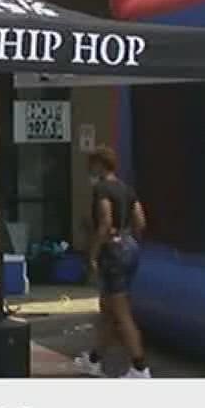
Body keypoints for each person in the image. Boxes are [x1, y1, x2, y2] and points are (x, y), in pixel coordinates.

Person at [73, 147, 151, 379]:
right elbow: (141, 221)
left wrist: (93, 253)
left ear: (99, 164)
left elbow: (105, 221)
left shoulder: (102, 189)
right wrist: (127, 238)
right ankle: (94, 359)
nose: (89, 169)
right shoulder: (127, 189)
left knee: (121, 312)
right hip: (130, 247)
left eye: (91, 164)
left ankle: (139, 367)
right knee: (107, 310)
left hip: (112, 252)